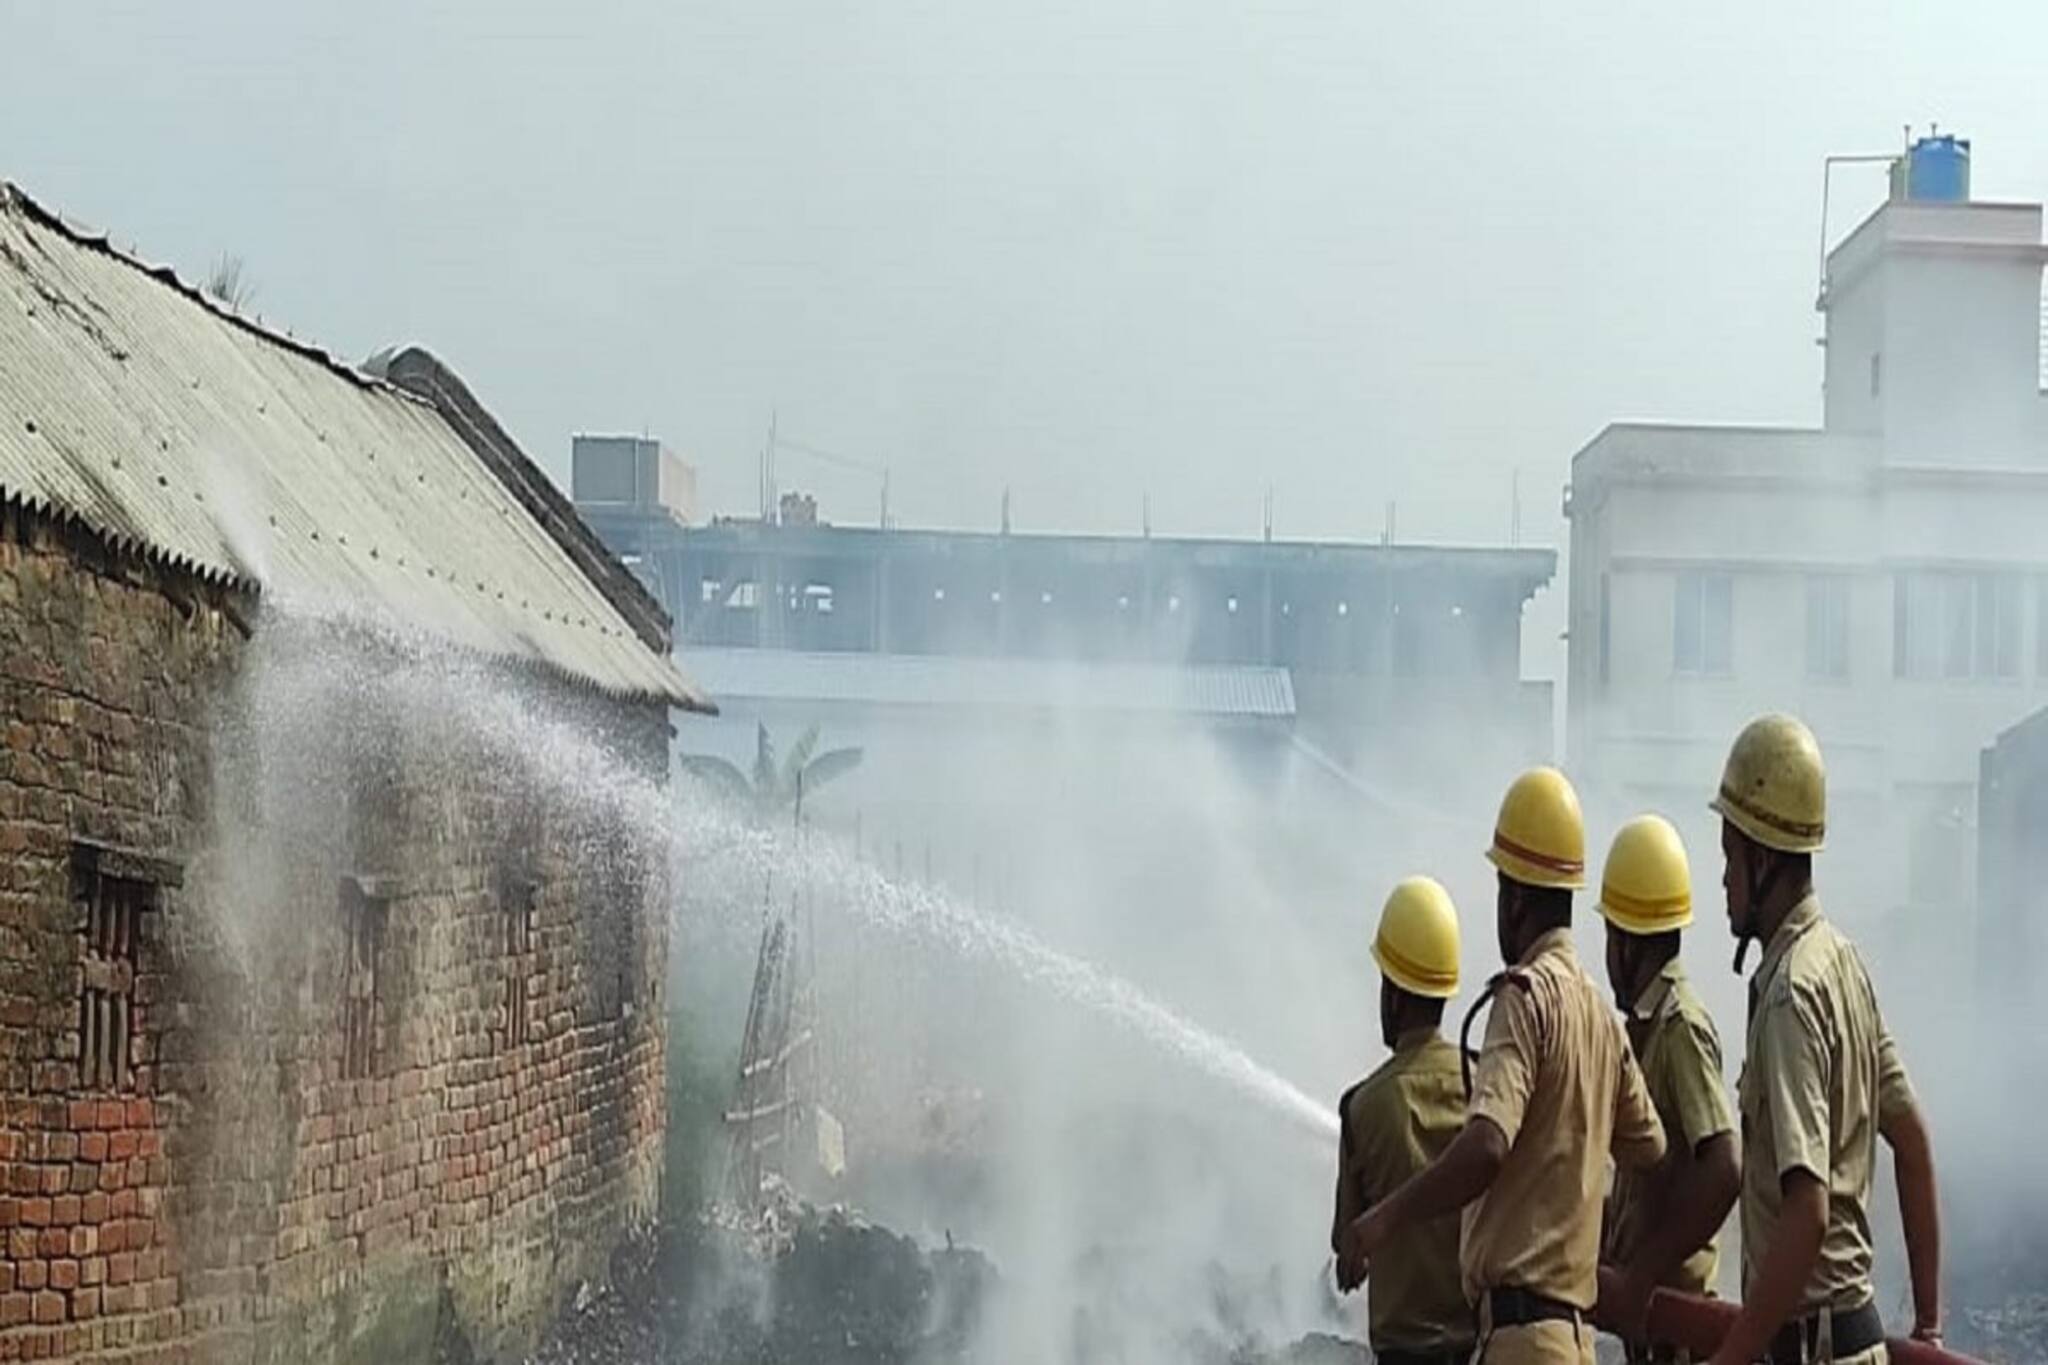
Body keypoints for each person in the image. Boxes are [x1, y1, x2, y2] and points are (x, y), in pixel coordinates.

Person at [1338, 768, 1666, 1364]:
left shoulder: (1523, 997)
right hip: (1577, 1342)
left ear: (1514, 900)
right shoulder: (1598, 1011)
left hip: (1521, 1340)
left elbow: (1488, 1147)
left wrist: (1383, 1220)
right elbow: (1650, 1148)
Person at [1705, 715, 1942, 1365]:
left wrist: (1730, 1357)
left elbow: (1806, 1212)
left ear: (1761, 857)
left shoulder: (1789, 995)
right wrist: (1928, 1328)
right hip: (1859, 1344)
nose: (1723, 879)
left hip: (1810, 1349)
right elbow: (1913, 1138)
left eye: (1730, 856)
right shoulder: (1844, 964)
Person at [1595, 814, 1740, 1362]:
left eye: (1611, 936)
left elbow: (1724, 1167)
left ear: (1629, 944)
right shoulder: (1646, 1029)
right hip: (1653, 1326)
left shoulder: (1680, 1028)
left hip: (1677, 1325)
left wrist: (1640, 1274)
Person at [1331, 876, 1475, 1365]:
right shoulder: (1486, 1084)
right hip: (1484, 1348)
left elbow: (1347, 1252)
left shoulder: (1362, 1108)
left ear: (1392, 994)